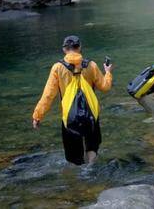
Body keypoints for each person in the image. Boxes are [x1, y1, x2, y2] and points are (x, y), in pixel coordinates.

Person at [32, 35, 112, 166]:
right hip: (91, 113)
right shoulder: (91, 65)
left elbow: (48, 95)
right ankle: (91, 165)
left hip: (69, 116)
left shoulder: (58, 68)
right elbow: (105, 87)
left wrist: (37, 115)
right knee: (92, 143)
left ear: (64, 49)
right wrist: (108, 72)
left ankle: (79, 177)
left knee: (73, 153)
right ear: (79, 47)